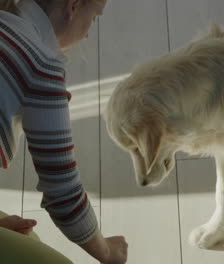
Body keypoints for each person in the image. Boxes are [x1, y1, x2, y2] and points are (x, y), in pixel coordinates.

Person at [0, 0, 128, 263]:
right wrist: (106, 252)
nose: (89, 31)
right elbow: (64, 196)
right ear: (73, 6)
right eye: (94, 17)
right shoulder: (39, 65)